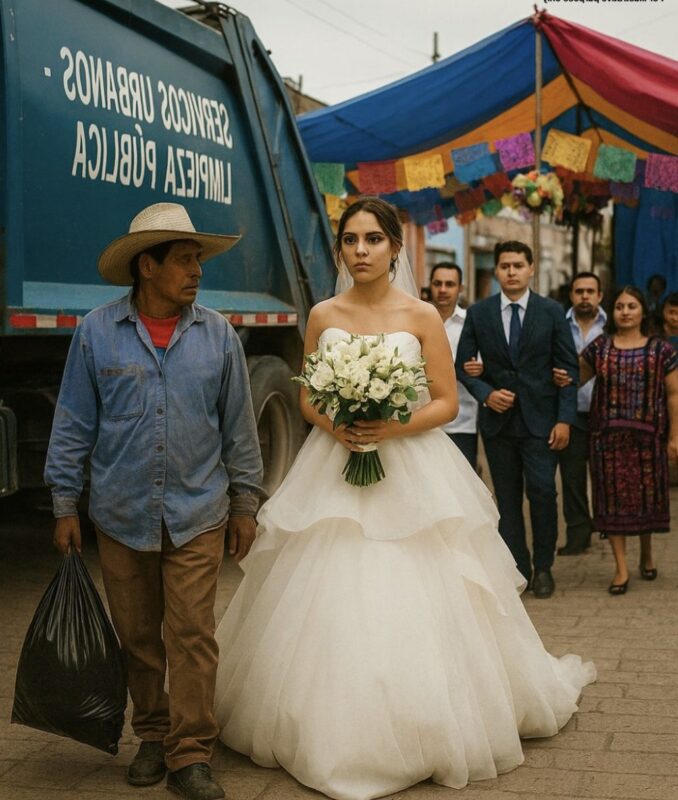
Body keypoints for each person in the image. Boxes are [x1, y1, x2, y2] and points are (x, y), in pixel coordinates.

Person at [213, 197, 595, 800]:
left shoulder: (421, 316)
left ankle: (432, 718)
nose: (360, 251)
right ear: (340, 249)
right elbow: (309, 397)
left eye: (372, 239)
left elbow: (444, 401)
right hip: (335, 462)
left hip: (409, 462)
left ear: (395, 248)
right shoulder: (322, 314)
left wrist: (390, 425)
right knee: (328, 578)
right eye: (349, 240)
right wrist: (336, 422)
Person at [44, 203, 263, 800]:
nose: (197, 271)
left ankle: (191, 754)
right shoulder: (95, 332)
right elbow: (73, 423)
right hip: (121, 512)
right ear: (148, 266)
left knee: (192, 634)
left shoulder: (218, 335)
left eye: (198, 259)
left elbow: (239, 427)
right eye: (185, 259)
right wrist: (64, 503)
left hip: (198, 511)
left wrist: (245, 502)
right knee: (138, 634)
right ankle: (152, 734)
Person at [456, 241, 578, 599]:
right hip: (498, 425)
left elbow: (568, 368)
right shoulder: (479, 314)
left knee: (543, 492)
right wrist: (485, 393)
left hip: (542, 422)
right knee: (507, 500)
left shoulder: (552, 312)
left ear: (530, 269)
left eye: (518, 265)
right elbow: (463, 366)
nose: (511, 271)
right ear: (496, 271)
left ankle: (544, 568)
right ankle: (518, 568)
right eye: (505, 265)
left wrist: (565, 419)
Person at [578, 286, 678, 595]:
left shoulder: (662, 351)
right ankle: (621, 569)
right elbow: (575, 378)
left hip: (649, 440)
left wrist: (675, 436)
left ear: (643, 312)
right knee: (612, 505)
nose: (625, 311)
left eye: (631, 306)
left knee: (646, 500)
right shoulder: (599, 348)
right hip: (607, 441)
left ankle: (646, 553)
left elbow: (674, 394)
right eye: (619, 306)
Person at [555, 272, 607, 556]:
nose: (584, 296)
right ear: (571, 295)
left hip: (606, 413)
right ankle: (578, 532)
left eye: (590, 291)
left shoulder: (612, 327)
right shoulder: (558, 325)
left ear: (599, 296)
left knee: (605, 474)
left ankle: (608, 526)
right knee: (572, 477)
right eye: (579, 291)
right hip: (570, 412)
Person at [428, 262, 479, 468]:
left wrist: (479, 369)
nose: (442, 290)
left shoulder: (472, 322)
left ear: (460, 288)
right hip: (422, 419)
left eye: (449, 284)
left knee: (462, 484)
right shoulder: (417, 319)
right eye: (437, 283)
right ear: (429, 285)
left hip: (462, 420)